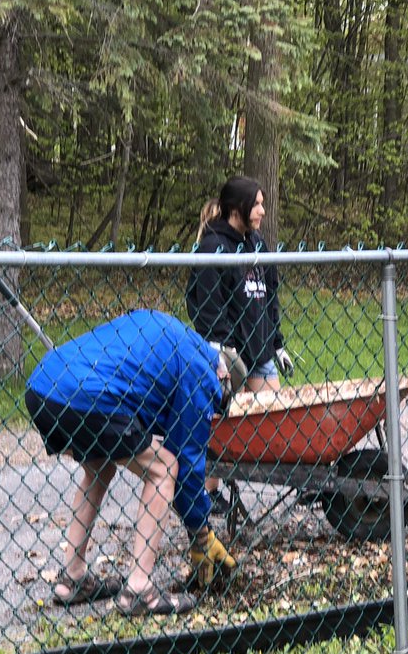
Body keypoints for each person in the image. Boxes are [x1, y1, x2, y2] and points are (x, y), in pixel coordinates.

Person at [25, 309, 237, 616]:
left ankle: (73, 577)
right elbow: (187, 462)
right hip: (88, 395)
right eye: (219, 399)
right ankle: (140, 589)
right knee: (163, 470)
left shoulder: (175, 334)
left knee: (100, 465)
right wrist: (201, 532)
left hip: (44, 386)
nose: (215, 403)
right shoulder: (201, 371)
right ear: (224, 375)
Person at [186, 176, 294, 508]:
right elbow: (205, 306)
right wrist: (224, 349)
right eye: (257, 204)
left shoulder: (258, 244)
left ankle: (303, 480)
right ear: (238, 208)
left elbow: (270, 296)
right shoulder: (212, 248)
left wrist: (276, 343)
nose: (262, 210)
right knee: (221, 426)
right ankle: (209, 494)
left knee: (280, 419)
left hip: (260, 352)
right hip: (227, 356)